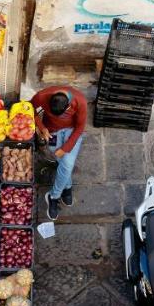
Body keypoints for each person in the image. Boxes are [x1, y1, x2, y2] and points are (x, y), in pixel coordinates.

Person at [30, 84, 88, 222]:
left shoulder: (80, 101)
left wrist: (65, 148)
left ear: (68, 107)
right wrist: (42, 127)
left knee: (67, 163)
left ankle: (53, 196)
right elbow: (29, 109)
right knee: (64, 164)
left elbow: (80, 128)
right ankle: (67, 187)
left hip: (71, 132)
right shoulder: (41, 96)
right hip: (51, 132)